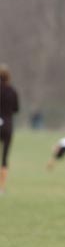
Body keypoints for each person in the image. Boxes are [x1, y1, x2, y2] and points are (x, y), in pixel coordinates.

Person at [0, 64, 19, 195]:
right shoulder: (12, 91)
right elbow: (17, 109)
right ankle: (1, 188)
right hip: (7, 126)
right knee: (4, 157)